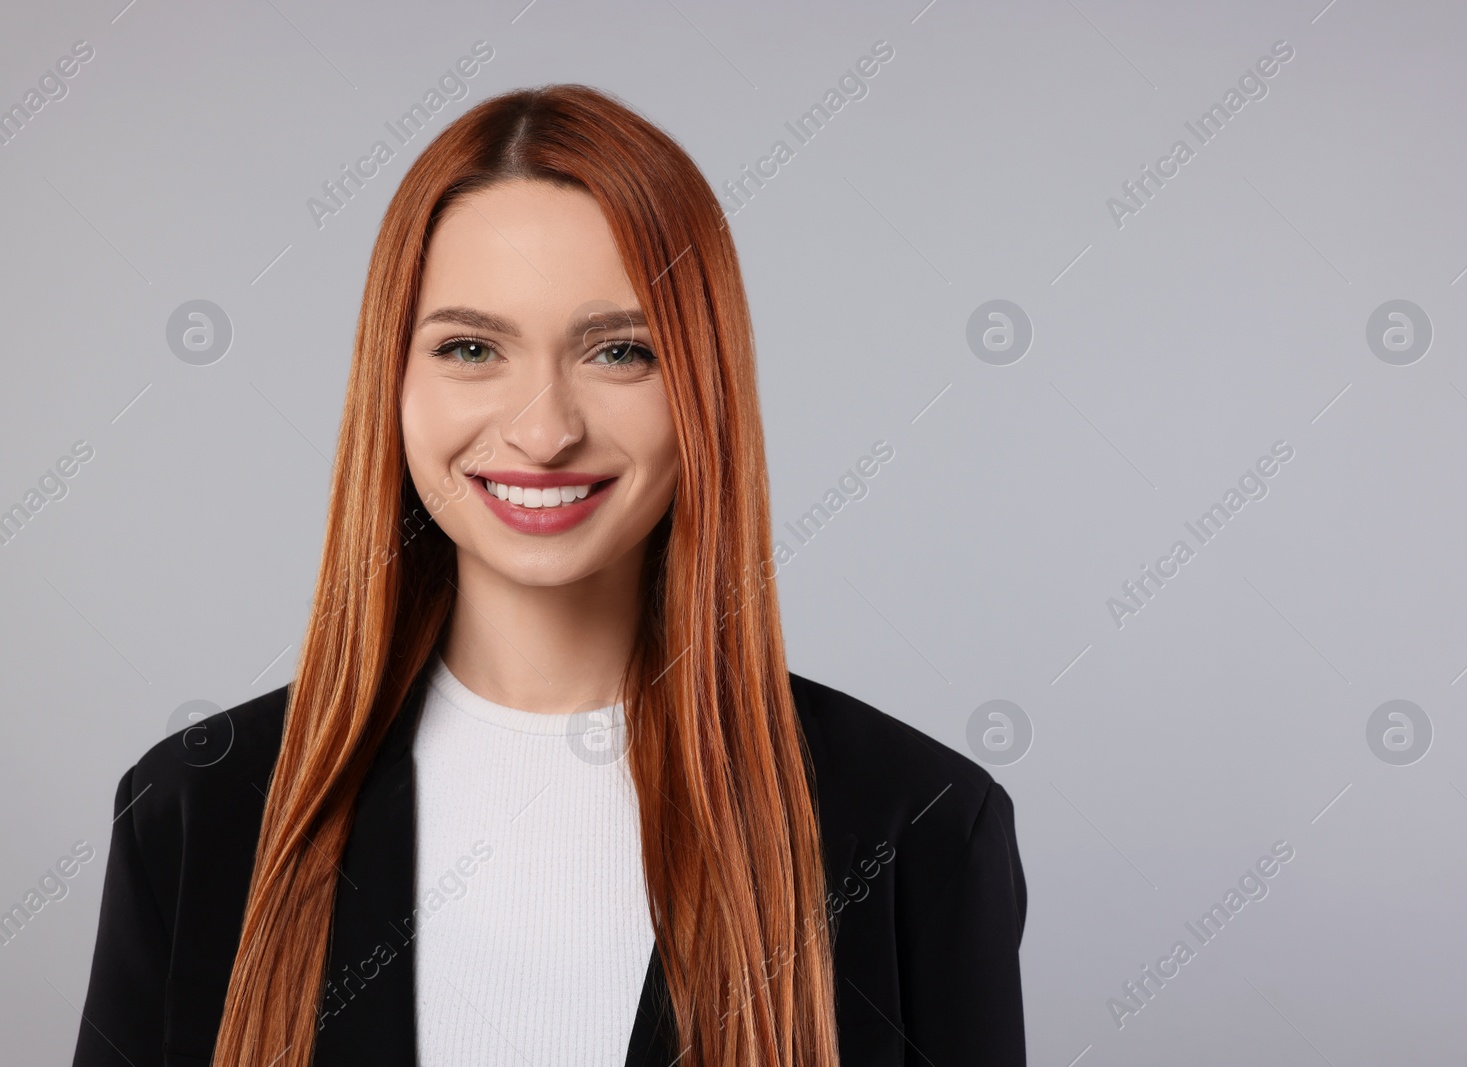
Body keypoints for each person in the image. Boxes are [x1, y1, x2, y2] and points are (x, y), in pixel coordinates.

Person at [71, 84, 1026, 1067]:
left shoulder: (918, 826)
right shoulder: (196, 813)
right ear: (391, 380)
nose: (543, 429)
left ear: (705, 382)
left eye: (619, 350)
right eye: (471, 348)